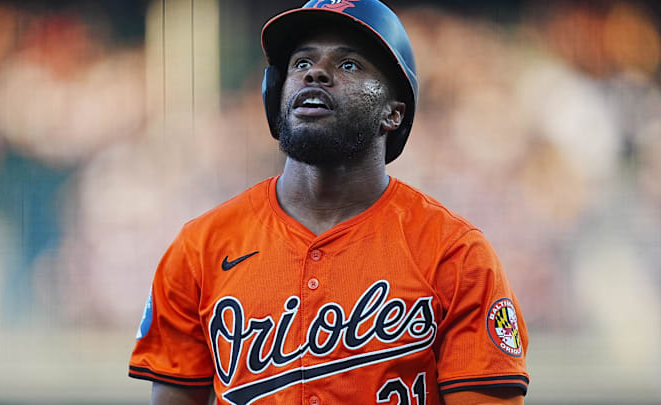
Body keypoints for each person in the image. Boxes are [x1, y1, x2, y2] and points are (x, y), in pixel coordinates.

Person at [128, 1, 529, 404]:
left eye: (349, 65)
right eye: (301, 63)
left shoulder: (455, 254)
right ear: (275, 94)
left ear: (394, 113)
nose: (315, 73)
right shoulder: (200, 248)